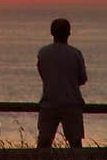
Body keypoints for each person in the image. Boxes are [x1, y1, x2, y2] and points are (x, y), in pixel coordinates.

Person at [36, 18, 87, 149]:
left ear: (52, 33)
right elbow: (82, 79)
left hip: (48, 103)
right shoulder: (75, 53)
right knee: (75, 143)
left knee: (44, 142)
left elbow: (43, 75)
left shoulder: (43, 53)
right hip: (71, 103)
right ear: (69, 33)